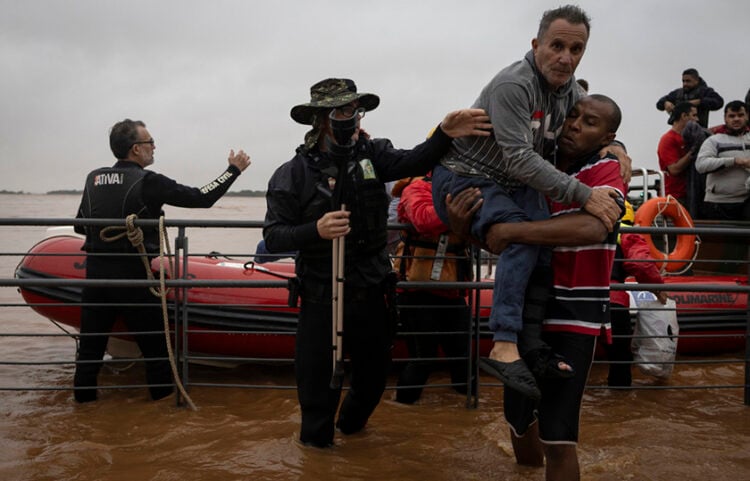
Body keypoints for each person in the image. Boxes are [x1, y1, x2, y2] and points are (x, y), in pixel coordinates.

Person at [262, 78, 491, 448]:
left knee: (372, 380)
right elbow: (274, 235)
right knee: (317, 390)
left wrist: (445, 134)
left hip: (370, 288)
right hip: (322, 293)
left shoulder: (373, 154)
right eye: (339, 111)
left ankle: (351, 433)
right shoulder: (293, 173)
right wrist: (315, 230)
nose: (348, 118)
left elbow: (415, 159)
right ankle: (317, 455)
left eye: (353, 110)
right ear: (321, 119)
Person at [430, 5, 626, 400]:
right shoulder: (514, 86)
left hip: (511, 183)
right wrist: (585, 195)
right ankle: (503, 344)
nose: (566, 58)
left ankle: (530, 345)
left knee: (539, 245)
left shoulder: (570, 91)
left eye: (576, 49)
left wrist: (617, 144)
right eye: (556, 46)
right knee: (521, 238)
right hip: (466, 176)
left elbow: (594, 117)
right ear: (536, 45)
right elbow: (520, 158)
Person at [447, 94, 626, 481]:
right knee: (516, 418)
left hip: (574, 319)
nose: (576, 124)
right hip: (527, 314)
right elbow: (493, 238)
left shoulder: (605, 169)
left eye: (590, 122)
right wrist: (462, 228)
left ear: (607, 136)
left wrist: (515, 231)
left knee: (559, 434)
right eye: (573, 115)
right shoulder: (530, 169)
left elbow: (594, 226)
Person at [73, 119, 250, 403]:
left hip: (96, 280)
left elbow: (80, 226)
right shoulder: (149, 181)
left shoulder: (93, 178)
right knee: (157, 353)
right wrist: (233, 171)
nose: (154, 146)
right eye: (150, 141)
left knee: (89, 354)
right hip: (136, 280)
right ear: (135, 150)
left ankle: (82, 411)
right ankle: (162, 414)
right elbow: (201, 197)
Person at [392, 174, 473, 404]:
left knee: (463, 359)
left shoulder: (466, 189)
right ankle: (403, 409)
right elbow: (422, 219)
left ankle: (470, 412)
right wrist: (460, 213)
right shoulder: (416, 188)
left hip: (453, 289)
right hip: (417, 291)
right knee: (422, 358)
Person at [607, 201, 667, 387]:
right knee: (620, 357)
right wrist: (657, 288)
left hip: (575, 299)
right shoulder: (626, 232)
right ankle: (619, 402)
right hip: (613, 299)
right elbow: (641, 263)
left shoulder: (582, 228)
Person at [694, 100, 750, 220]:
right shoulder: (714, 141)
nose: (736, 119)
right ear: (725, 118)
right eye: (732, 116)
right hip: (718, 205)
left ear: (747, 116)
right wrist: (734, 161)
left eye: (740, 115)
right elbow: (701, 165)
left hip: (746, 203)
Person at [657, 101, 699, 206]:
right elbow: (674, 169)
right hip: (676, 197)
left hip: (692, 194)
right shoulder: (668, 139)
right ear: (684, 116)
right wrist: (693, 151)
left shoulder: (690, 138)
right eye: (694, 115)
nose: (697, 119)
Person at [656, 68, 724, 128]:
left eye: (688, 81)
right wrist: (665, 103)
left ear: (696, 80)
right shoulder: (677, 93)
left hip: (698, 130)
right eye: (683, 81)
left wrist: (699, 102)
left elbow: (719, 102)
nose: (685, 84)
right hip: (678, 130)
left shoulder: (705, 92)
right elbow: (659, 104)